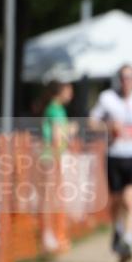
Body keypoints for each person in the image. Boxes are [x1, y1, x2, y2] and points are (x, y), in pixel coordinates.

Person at [89, 64, 132, 262]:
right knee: (117, 201)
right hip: (114, 155)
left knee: (130, 200)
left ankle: (128, 240)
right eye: (123, 77)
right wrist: (110, 126)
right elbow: (92, 122)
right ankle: (117, 231)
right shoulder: (107, 98)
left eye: (130, 77)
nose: (126, 81)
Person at [40, 79, 74, 253]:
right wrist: (69, 133)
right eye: (68, 89)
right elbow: (56, 137)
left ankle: (52, 234)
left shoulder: (56, 109)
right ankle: (47, 236)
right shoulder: (55, 109)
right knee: (48, 197)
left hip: (53, 156)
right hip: (51, 157)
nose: (71, 93)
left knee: (52, 197)